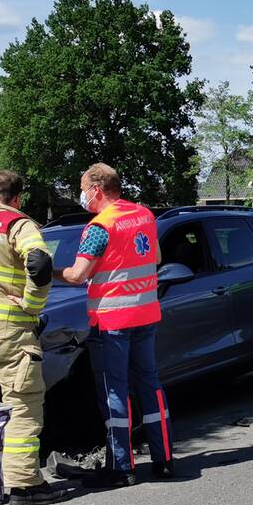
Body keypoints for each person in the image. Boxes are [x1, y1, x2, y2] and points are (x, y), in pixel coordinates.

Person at [57, 163, 174, 487]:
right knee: (150, 385)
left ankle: (122, 467)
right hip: (146, 314)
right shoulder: (144, 215)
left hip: (112, 321)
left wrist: (49, 272)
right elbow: (156, 259)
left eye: (83, 188)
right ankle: (164, 459)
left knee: (114, 391)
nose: (81, 195)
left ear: (96, 189)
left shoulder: (99, 227)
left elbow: (77, 274)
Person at [0, 171, 65, 505]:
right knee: (22, 405)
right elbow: (39, 262)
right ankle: (24, 486)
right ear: (17, 198)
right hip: (8, 331)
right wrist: (31, 306)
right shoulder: (18, 225)